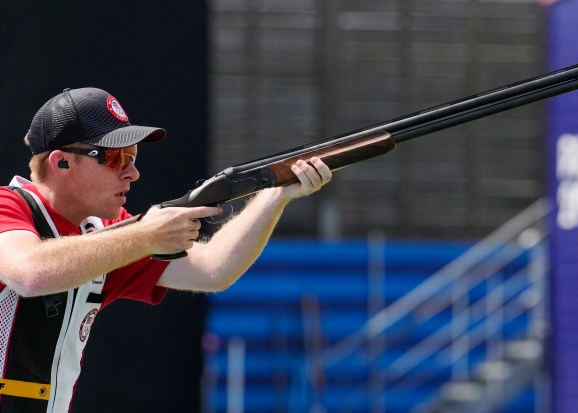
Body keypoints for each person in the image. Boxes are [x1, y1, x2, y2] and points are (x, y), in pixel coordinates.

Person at [0, 87, 332, 412]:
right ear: (62, 163)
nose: (132, 172)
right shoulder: (7, 206)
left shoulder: (102, 234)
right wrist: (146, 235)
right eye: (116, 158)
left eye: (133, 157)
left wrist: (276, 195)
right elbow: (31, 274)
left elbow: (212, 270)